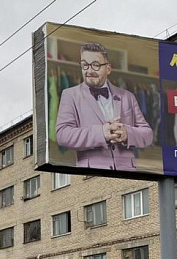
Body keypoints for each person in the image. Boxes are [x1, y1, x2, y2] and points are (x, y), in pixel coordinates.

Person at [55, 42, 153, 171]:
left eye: (95, 65)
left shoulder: (127, 96)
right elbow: (62, 135)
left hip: (128, 173)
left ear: (108, 69)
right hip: (92, 176)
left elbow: (148, 135)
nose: (89, 71)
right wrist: (101, 133)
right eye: (85, 65)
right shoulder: (70, 95)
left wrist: (126, 133)